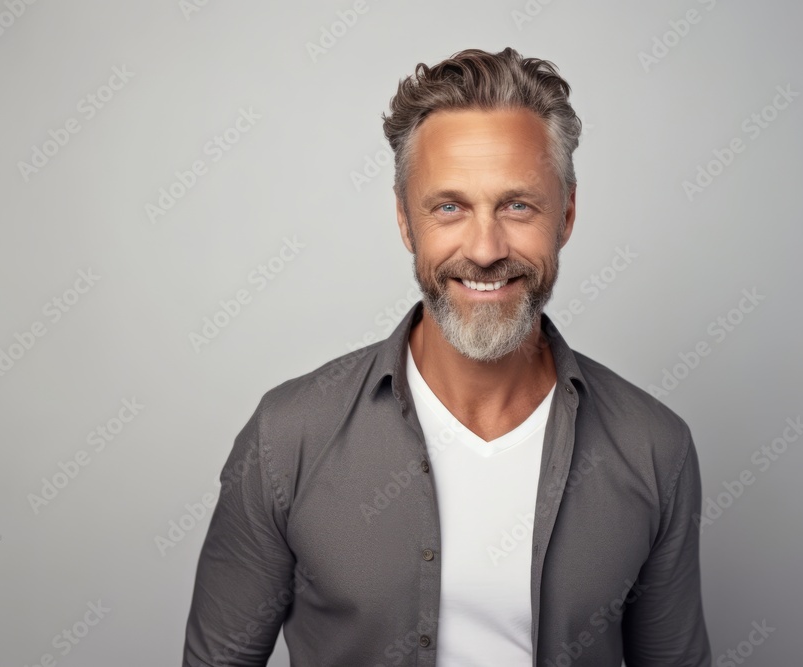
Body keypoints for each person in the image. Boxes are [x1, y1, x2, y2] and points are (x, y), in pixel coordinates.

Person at [183, 46, 711, 667]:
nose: (486, 250)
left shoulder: (654, 447)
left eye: (518, 205)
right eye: (449, 207)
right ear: (407, 221)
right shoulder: (288, 436)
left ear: (565, 214)